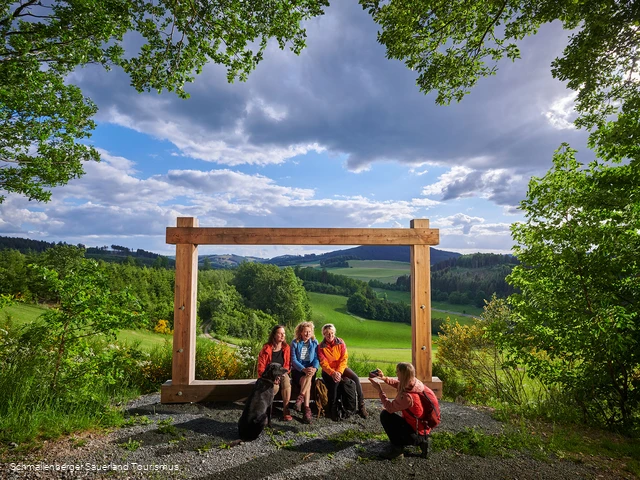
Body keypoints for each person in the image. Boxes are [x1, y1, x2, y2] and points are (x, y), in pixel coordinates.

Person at [368, 362, 434, 459]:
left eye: (397, 371)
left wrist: (380, 390)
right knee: (390, 416)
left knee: (385, 415)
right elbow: (398, 384)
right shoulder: (415, 384)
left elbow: (389, 408)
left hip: (415, 434)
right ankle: (423, 441)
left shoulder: (407, 397)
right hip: (422, 429)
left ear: (403, 374)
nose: (396, 373)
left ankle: (397, 450)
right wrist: (384, 378)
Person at [317, 323, 367, 420]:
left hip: (341, 368)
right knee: (336, 382)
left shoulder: (340, 342)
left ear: (334, 333)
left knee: (355, 378)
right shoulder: (320, 347)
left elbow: (344, 358)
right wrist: (333, 373)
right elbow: (323, 363)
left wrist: (339, 372)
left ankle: (361, 405)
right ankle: (333, 407)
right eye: (327, 333)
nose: (330, 335)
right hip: (328, 371)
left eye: (332, 333)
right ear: (323, 334)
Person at [257, 324, 292, 421]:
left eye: (284, 333)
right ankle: (265, 410)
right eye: (280, 333)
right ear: (274, 335)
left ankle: (286, 410)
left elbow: (288, 365)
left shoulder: (286, 348)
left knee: (286, 381)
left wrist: (281, 374)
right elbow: (261, 367)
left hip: (282, 374)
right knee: (274, 387)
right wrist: (271, 378)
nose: (283, 335)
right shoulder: (266, 348)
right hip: (269, 376)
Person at [290, 321, 319, 424]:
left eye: (309, 332)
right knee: (308, 379)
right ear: (300, 332)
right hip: (298, 370)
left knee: (309, 375)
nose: (307, 334)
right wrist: (303, 369)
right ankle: (306, 409)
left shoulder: (315, 342)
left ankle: (300, 399)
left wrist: (315, 368)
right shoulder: (295, 343)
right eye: (305, 332)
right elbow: (293, 360)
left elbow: (316, 358)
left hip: (310, 369)